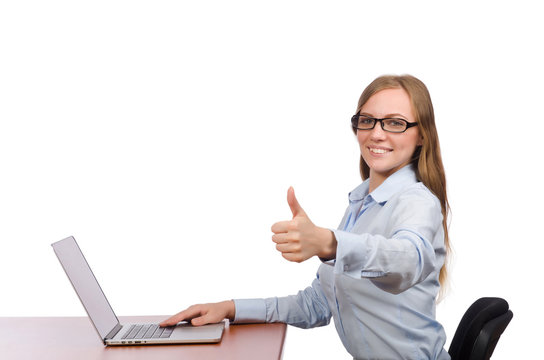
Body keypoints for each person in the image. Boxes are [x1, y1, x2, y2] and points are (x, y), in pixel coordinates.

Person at [160, 74, 451, 360]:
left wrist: (330, 243)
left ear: (422, 135)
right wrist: (231, 308)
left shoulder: (417, 201)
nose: (376, 133)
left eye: (395, 123)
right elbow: (317, 305)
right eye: (367, 121)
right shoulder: (362, 205)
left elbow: (408, 259)